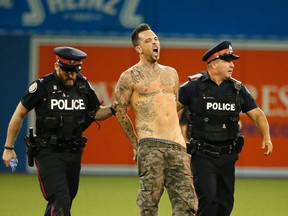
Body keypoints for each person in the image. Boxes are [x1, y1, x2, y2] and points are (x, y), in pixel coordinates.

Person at [2, 46, 117, 216]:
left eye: (75, 71)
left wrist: (114, 108)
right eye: (67, 71)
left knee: (65, 200)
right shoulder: (42, 86)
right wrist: (8, 148)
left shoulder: (83, 85)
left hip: (73, 152)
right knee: (60, 199)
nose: (71, 75)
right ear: (57, 66)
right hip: (48, 152)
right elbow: (19, 114)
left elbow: (96, 112)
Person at [178, 41, 273, 216]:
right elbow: (168, 110)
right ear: (213, 64)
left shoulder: (237, 89)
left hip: (228, 155)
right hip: (202, 154)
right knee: (209, 198)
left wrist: (266, 136)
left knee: (225, 203)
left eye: (232, 61)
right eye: (227, 60)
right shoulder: (193, 86)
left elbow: (257, 114)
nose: (232, 65)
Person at [114, 23, 197, 215]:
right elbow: (120, 112)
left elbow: (172, 107)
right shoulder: (128, 77)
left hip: (177, 146)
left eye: (156, 39)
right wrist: (136, 143)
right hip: (150, 144)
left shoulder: (172, 73)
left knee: (187, 205)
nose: (155, 43)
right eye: (148, 40)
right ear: (138, 48)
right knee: (149, 206)